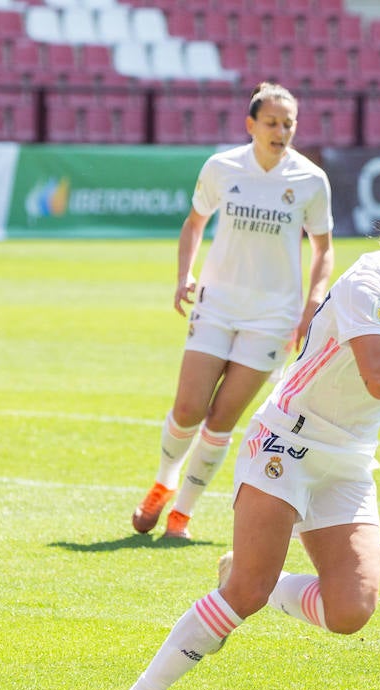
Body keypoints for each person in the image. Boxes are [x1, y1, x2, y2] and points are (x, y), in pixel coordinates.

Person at [105, 170, 380, 690]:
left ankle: (259, 579)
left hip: (348, 460)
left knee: (352, 610)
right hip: (287, 443)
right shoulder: (367, 281)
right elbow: (375, 375)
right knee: (243, 594)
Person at [130, 82, 335, 541]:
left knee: (221, 419)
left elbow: (323, 249)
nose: (281, 131)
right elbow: (194, 223)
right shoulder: (222, 167)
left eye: (289, 123)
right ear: (251, 125)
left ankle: (182, 513)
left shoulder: (309, 180)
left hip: (273, 317)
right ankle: (163, 482)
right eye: (272, 122)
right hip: (216, 304)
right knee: (188, 408)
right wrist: (185, 274)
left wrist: (313, 302)